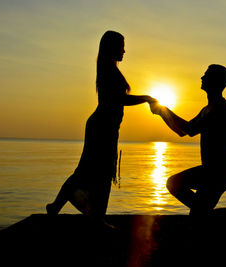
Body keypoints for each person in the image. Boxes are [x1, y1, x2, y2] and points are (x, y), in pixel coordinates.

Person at [46, 31, 156, 220]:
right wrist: (146, 98)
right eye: (121, 46)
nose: (124, 51)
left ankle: (90, 215)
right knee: (93, 173)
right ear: (112, 47)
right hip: (101, 127)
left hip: (106, 127)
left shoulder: (110, 69)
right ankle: (79, 212)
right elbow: (119, 99)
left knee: (97, 173)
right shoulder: (108, 70)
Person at [149, 64, 226, 218]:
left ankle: (209, 214)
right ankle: (209, 214)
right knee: (178, 188)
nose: (202, 77)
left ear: (216, 81)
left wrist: (162, 109)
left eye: (206, 75)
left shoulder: (220, 108)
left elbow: (189, 129)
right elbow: (183, 131)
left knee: (195, 212)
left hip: (220, 172)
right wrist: (161, 113)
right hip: (210, 171)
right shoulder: (207, 109)